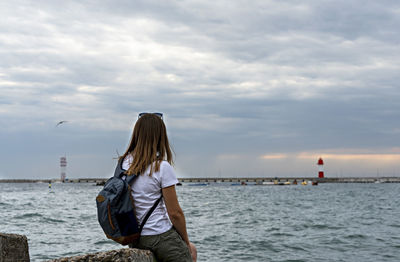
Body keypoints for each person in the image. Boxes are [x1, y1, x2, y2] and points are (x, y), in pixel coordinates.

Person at [121, 112, 197, 262]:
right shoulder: (161, 167)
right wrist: (186, 242)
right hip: (159, 236)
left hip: (135, 238)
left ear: (137, 134)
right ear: (160, 136)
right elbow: (175, 213)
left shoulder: (123, 164)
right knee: (192, 251)